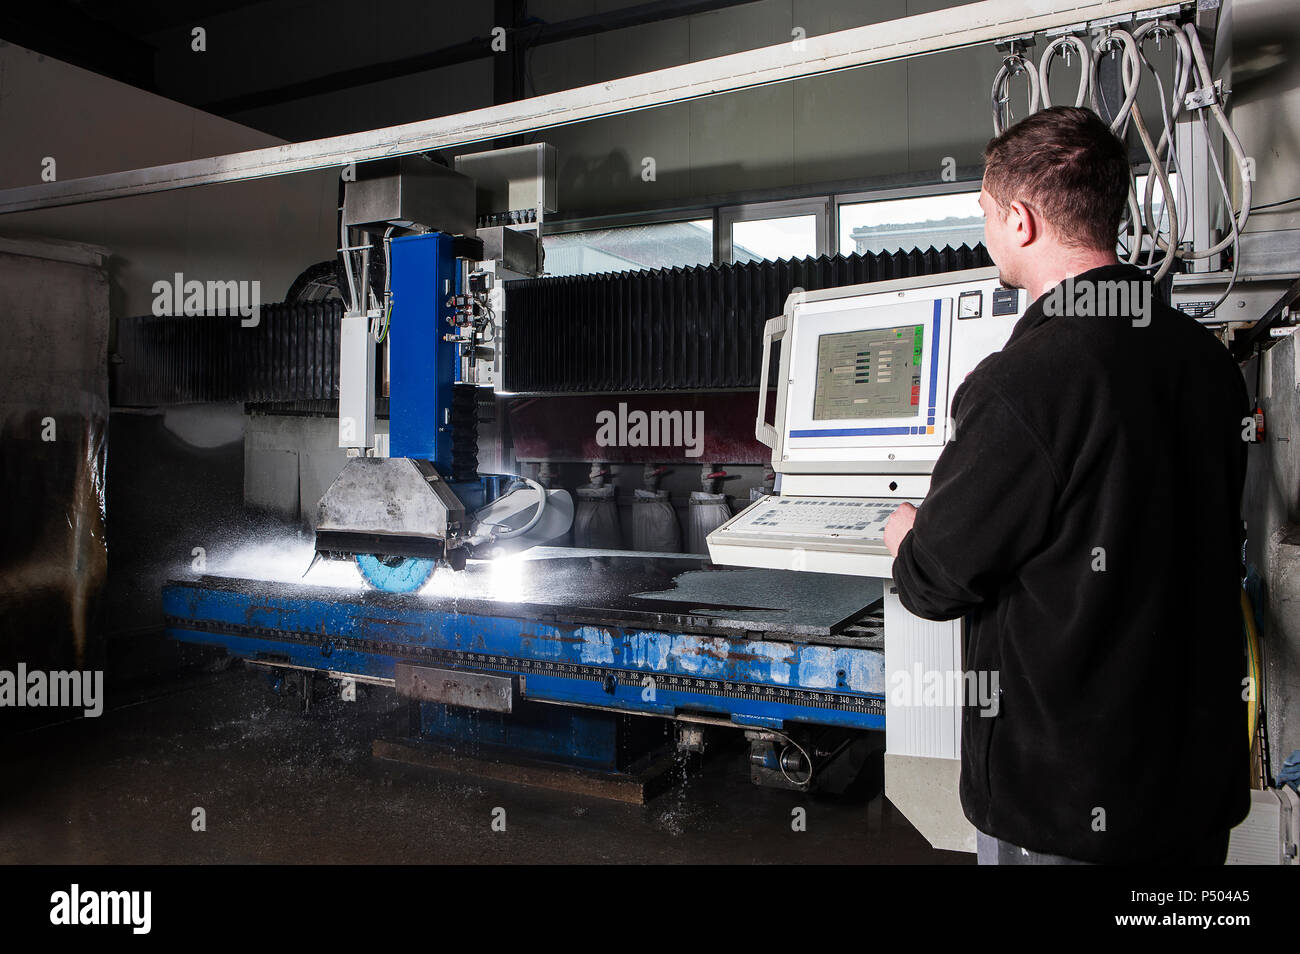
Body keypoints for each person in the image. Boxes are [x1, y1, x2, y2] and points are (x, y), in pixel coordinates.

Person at [883, 106, 1251, 865]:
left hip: (1066, 803)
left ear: (1019, 220)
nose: (986, 228)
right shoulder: (1205, 361)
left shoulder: (1025, 382)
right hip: (1190, 792)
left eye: (984, 210)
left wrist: (906, 536)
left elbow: (934, 581)